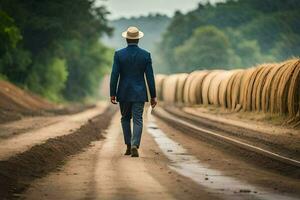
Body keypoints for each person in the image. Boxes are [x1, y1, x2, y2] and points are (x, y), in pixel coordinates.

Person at [110, 26, 157, 157]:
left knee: (125, 118)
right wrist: (153, 96)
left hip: (123, 93)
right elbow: (150, 77)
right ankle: (135, 144)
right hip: (139, 93)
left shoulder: (119, 55)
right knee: (138, 119)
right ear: (138, 39)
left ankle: (129, 146)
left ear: (126, 38)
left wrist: (112, 93)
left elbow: (114, 75)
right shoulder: (145, 55)